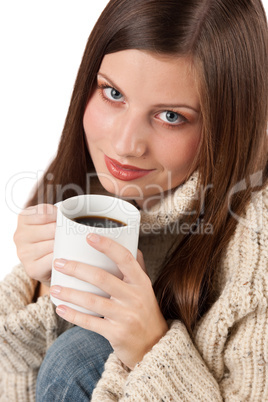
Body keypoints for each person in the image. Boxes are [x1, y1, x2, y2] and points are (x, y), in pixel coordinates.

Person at [0, 0, 267, 400]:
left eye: (171, 116)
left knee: (81, 357)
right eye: (113, 93)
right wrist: (44, 285)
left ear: (227, 121)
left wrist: (149, 348)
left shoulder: (257, 237)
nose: (125, 146)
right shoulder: (85, 186)